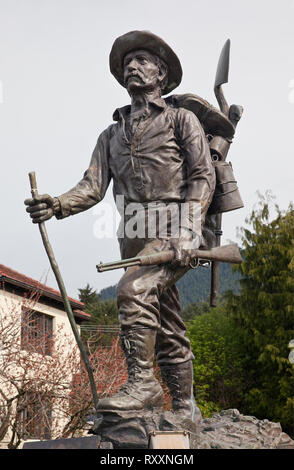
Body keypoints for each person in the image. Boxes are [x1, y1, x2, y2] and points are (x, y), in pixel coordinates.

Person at [25, 31, 216, 426]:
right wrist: (57, 204)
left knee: (133, 289)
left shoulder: (182, 120)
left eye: (142, 60)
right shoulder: (110, 135)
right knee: (166, 322)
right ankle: (185, 409)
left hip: (174, 233)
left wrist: (188, 230)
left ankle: (143, 383)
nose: (132, 66)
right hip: (133, 238)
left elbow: (202, 177)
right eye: (127, 63)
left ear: (161, 73)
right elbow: (92, 186)